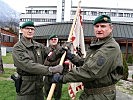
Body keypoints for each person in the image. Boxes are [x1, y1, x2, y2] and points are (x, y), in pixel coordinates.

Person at [52, 15, 124, 100]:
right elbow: (87, 63)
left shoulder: (110, 47)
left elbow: (89, 71)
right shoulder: (99, 44)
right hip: (90, 94)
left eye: (103, 26)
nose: (99, 29)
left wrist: (63, 77)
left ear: (111, 28)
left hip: (100, 96)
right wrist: (71, 57)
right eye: (97, 26)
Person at [12, 21, 63, 100]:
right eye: (27, 28)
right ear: (21, 30)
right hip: (26, 89)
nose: (30, 31)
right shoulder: (18, 47)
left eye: (32, 29)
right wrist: (50, 70)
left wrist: (61, 50)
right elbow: (28, 65)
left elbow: (51, 56)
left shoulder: (38, 46)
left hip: (38, 88)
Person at [43, 34, 67, 100]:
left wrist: (63, 74)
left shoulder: (62, 50)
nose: (53, 41)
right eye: (52, 39)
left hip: (58, 75)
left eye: (55, 39)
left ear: (57, 40)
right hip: (48, 73)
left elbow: (65, 63)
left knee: (57, 93)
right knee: (47, 91)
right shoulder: (46, 50)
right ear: (49, 41)